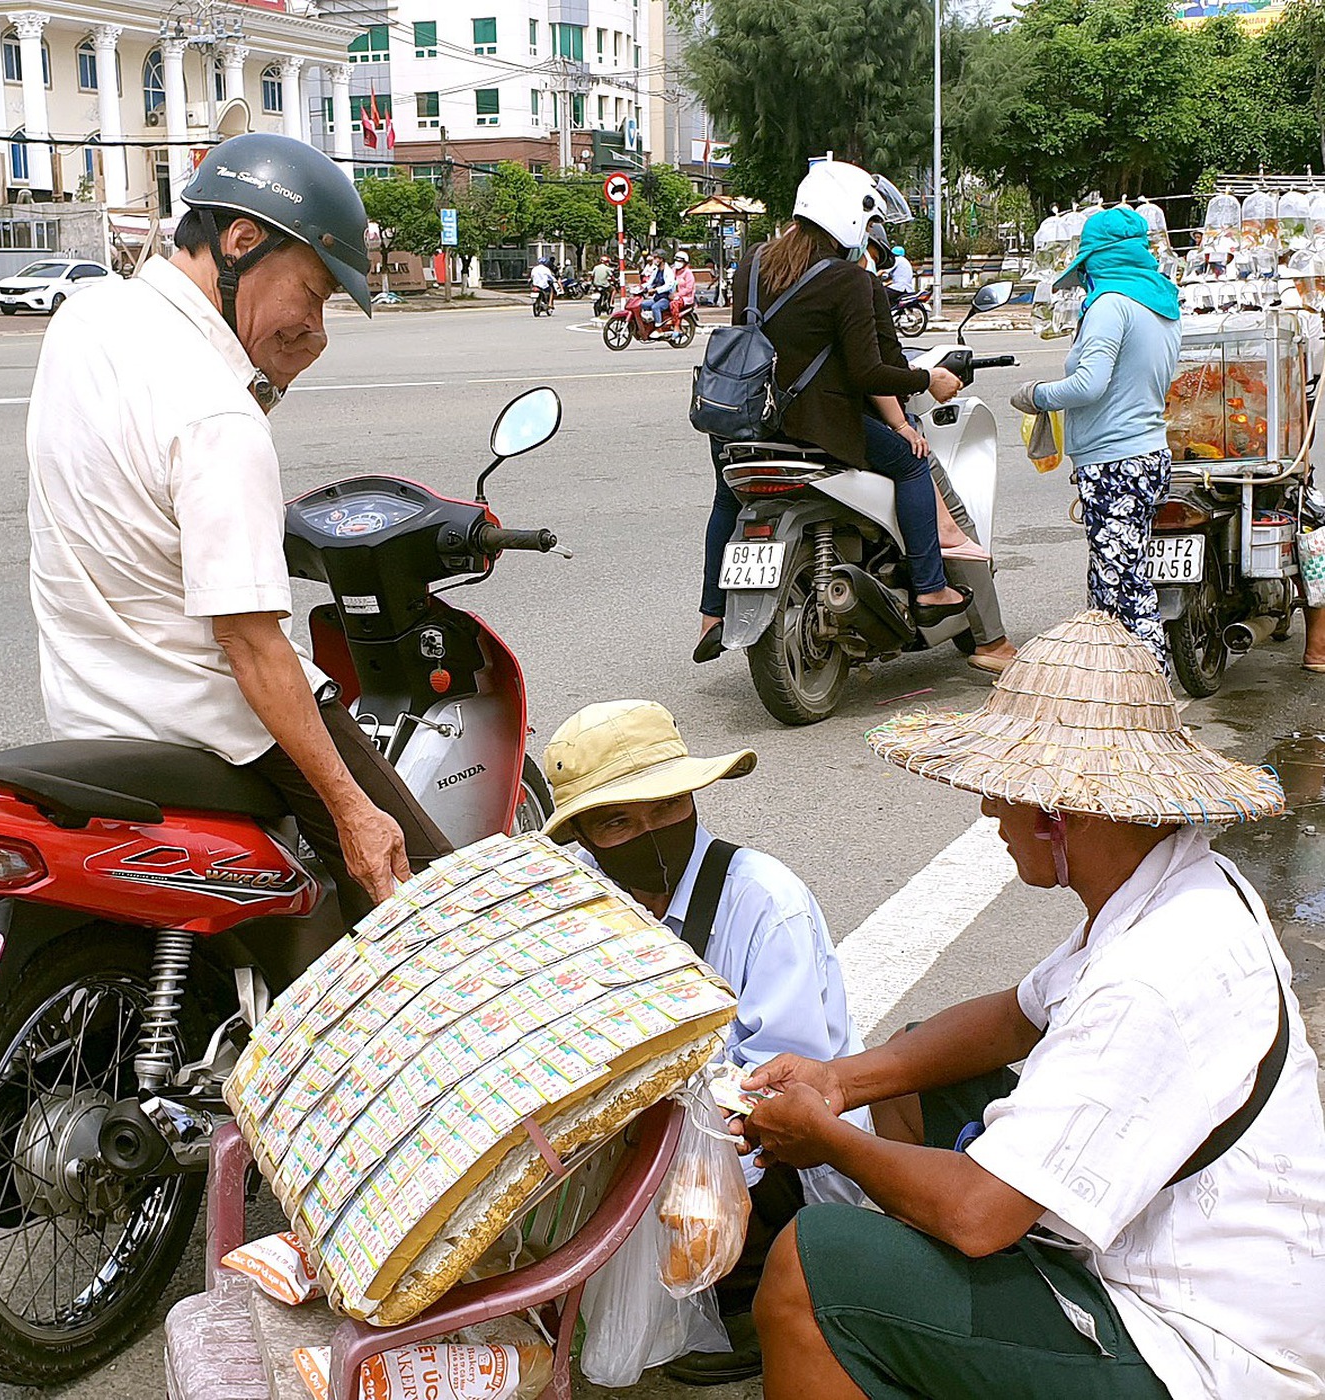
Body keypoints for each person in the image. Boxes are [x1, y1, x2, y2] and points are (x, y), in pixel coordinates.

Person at [736, 610, 1325, 1400]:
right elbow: (1017, 1015)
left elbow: (981, 1216)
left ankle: (888, 1334)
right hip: (1177, 1257)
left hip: (1199, 1348)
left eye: (1002, 793)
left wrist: (824, 1138)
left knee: (811, 1269)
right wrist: (843, 1083)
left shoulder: (1154, 975)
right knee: (910, 1072)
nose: (989, 813)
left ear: (1059, 812)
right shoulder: (1171, 883)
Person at [26, 133, 450, 925]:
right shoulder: (217, 415)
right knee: (426, 899)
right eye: (316, 293)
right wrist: (355, 816)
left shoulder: (87, 319)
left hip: (90, 713)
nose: (314, 325)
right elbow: (251, 646)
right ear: (242, 241)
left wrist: (265, 371)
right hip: (211, 722)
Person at [542, 699, 872, 1384]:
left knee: (715, 1165)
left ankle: (758, 1307)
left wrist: (688, 1162)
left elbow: (785, 1080)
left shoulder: (762, 902)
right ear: (584, 835)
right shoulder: (577, 897)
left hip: (773, 1147)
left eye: (666, 808)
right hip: (648, 1125)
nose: (651, 831)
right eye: (618, 821)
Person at [695, 161, 968, 663]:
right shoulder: (847, 279)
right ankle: (930, 587)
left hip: (743, 422)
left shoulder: (753, 263)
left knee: (726, 498)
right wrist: (927, 379)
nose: (866, 235)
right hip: (815, 428)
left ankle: (712, 613)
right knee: (910, 464)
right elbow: (869, 373)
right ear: (849, 217)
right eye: (866, 223)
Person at [1012, 206, 1182, 673]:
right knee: (1112, 582)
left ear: (1101, 260)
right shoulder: (1162, 303)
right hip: (1146, 455)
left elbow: (1089, 385)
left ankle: (1150, 694)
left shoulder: (1111, 305)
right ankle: (1112, 692)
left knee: (1123, 591)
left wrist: (1036, 395)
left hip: (1116, 464)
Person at [861, 221, 1019, 675]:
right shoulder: (857, 283)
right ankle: (989, 638)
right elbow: (872, 371)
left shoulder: (779, 275)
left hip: (791, 425)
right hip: (867, 418)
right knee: (952, 515)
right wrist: (913, 399)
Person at [643, 248, 677, 325]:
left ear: (661, 259)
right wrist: (640, 287)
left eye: (655, 258)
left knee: (655, 307)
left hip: (666, 298)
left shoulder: (668, 271)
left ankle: (659, 328)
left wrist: (655, 290)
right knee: (643, 304)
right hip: (657, 297)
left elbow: (668, 285)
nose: (654, 260)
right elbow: (650, 282)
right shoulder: (656, 270)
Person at [668, 250, 697, 329]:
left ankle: (676, 325)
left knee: (674, 304)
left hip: (685, 297)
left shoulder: (688, 273)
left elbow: (689, 289)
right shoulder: (673, 271)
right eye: (676, 261)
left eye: (680, 261)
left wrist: (677, 295)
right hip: (671, 294)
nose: (678, 263)